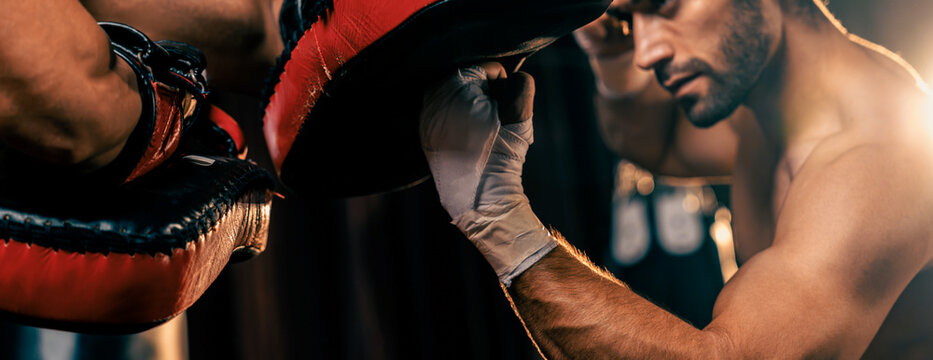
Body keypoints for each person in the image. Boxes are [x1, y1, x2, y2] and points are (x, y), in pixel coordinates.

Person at [419, 0, 933, 358]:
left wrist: (499, 219)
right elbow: (656, 142)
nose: (647, 53)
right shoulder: (775, 109)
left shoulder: (879, 160)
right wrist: (608, 49)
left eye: (665, 4)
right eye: (628, 22)